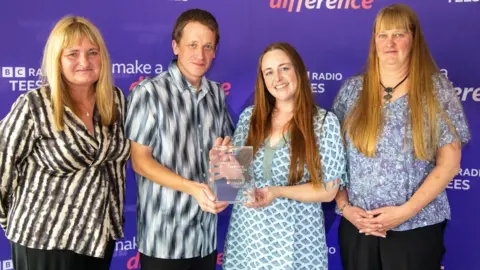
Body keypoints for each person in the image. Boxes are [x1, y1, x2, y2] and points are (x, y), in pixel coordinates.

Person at [331, 4, 471, 270]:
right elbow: (331, 160)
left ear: (414, 39)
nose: (390, 43)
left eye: (399, 34)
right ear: (374, 41)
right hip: (359, 228)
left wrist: (404, 213)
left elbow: (450, 163)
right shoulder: (352, 90)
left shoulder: (435, 90)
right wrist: (345, 207)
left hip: (416, 228)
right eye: (383, 35)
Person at [0, 15, 130, 270]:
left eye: (92, 52)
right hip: (44, 240)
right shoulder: (35, 105)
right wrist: (12, 219)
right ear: (57, 60)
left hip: (98, 237)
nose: (85, 61)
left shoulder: (115, 101)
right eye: (73, 54)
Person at [125, 8, 234, 270]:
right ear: (176, 46)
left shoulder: (216, 93)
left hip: (205, 238)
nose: (200, 54)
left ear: (215, 51)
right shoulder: (149, 92)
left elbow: (228, 151)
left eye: (208, 46)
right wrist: (192, 188)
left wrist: (226, 191)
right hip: (164, 240)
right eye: (192, 45)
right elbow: (140, 161)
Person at [222, 42, 346, 270]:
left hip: (298, 243)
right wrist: (221, 163)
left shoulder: (323, 123)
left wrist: (277, 192)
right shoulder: (250, 118)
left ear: (298, 70)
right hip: (249, 240)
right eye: (269, 72)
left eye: (284, 68)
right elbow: (231, 186)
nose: (277, 78)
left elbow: (329, 191)